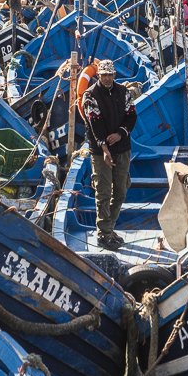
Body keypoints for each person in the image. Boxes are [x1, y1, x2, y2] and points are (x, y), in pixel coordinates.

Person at [81, 59, 137, 249]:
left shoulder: (124, 92)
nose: (107, 78)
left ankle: (109, 227)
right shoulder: (90, 96)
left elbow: (131, 116)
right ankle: (103, 234)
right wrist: (105, 149)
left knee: (121, 190)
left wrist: (120, 133)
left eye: (110, 74)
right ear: (98, 75)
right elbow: (94, 126)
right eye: (103, 74)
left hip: (122, 148)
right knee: (103, 192)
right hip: (100, 152)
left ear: (114, 75)